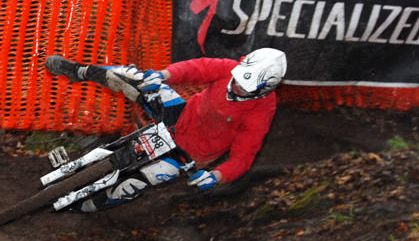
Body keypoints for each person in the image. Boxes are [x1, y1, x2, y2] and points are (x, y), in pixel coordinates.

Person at [45, 48, 287, 212]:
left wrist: (216, 176)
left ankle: (81, 208)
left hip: (187, 154)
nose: (236, 87)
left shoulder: (262, 110)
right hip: (179, 116)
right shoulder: (229, 69)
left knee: (134, 184)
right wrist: (163, 75)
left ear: (264, 89)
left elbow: (244, 157)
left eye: (245, 88)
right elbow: (196, 68)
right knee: (136, 78)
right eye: (238, 79)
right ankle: (80, 71)